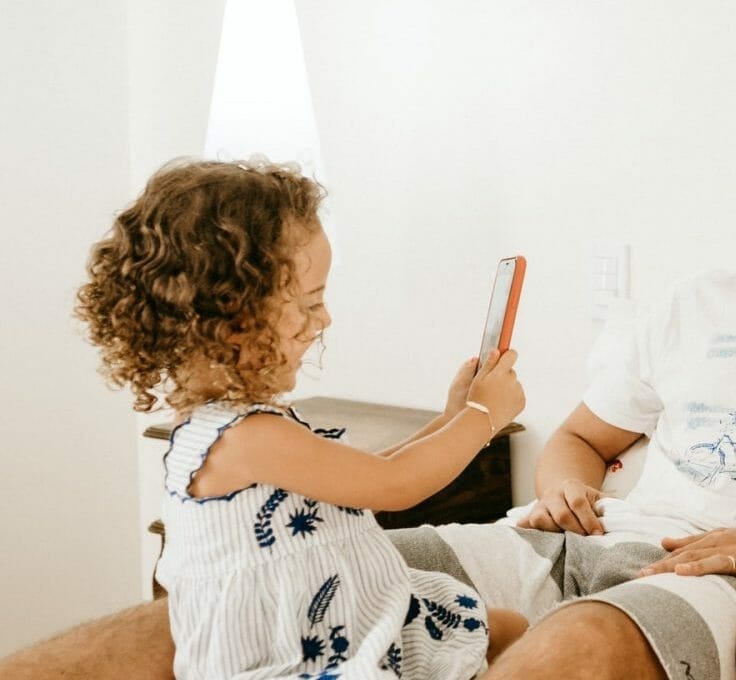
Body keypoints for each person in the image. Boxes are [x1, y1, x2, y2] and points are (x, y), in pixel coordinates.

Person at [0, 58, 736, 680]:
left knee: (578, 644)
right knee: (285, 578)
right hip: (571, 539)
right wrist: (566, 490)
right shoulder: (697, 300)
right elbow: (584, 438)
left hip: (724, 575)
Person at [72, 158, 529, 678]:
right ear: (232, 316)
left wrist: (452, 417)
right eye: (311, 302)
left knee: (507, 628)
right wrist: (483, 417)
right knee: (509, 634)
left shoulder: (233, 423)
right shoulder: (247, 438)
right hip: (299, 653)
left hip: (332, 619)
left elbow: (357, 480)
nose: (325, 319)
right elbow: (395, 485)